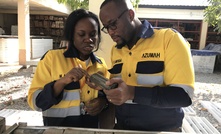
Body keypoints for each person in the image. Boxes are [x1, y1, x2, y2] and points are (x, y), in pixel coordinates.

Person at [98, 0, 195, 132]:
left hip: (161, 130)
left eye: (113, 24)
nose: (110, 32)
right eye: (106, 28)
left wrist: (132, 93)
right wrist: (104, 87)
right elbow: (120, 90)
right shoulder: (116, 50)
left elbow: (183, 96)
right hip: (122, 128)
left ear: (130, 15)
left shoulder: (169, 39)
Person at [28, 9, 114, 128]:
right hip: (57, 130)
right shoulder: (52, 59)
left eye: (93, 34)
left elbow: (109, 97)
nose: (89, 39)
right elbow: (36, 103)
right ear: (71, 35)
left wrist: (103, 103)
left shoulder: (101, 65)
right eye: (81, 34)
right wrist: (62, 82)